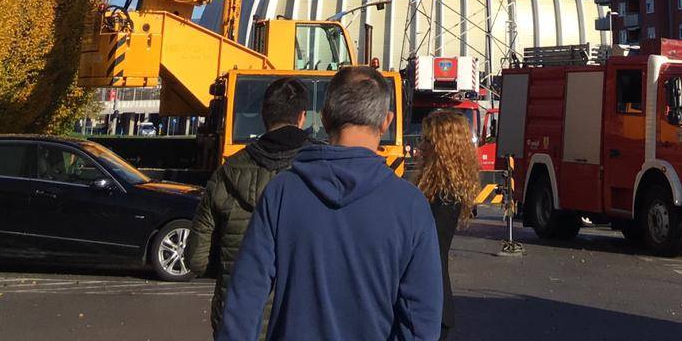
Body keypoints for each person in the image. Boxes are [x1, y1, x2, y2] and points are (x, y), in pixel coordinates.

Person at [217, 66, 442, 341]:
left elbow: (245, 298)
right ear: (386, 121)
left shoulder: (282, 192)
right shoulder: (410, 206)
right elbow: (421, 319)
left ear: (324, 118)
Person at [187, 76, 312, 336]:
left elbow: (196, 260)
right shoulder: (320, 172)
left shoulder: (226, 172)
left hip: (236, 317)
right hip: (301, 319)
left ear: (263, 115)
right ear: (302, 117)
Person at [413, 111, 480, 339]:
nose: (420, 146)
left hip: (427, 301)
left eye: (427, 140)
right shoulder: (438, 190)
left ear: (443, 147)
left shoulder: (445, 197)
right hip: (432, 300)